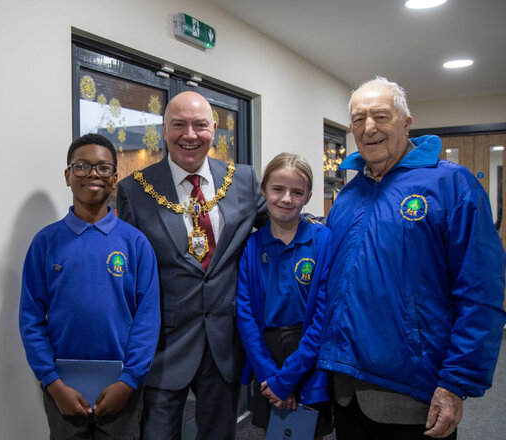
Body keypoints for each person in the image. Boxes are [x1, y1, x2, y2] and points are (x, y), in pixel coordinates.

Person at [317, 76, 506, 439]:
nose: (368, 127)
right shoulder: (348, 196)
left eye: (380, 116)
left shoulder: (452, 186)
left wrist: (457, 381)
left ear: (406, 123)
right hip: (344, 387)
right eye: (358, 119)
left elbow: (481, 291)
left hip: (411, 392)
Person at [117, 91, 266, 439]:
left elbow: (277, 221)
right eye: (179, 125)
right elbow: (127, 276)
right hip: (164, 346)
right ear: (164, 128)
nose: (190, 134)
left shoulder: (241, 180)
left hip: (223, 343)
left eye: (200, 125)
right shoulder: (135, 191)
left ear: (215, 129)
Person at [19, 133, 161, 439]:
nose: (92, 174)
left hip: (122, 387)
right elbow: (31, 319)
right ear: (68, 175)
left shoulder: (135, 243)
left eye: (103, 167)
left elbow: (147, 320)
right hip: (63, 388)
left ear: (114, 178)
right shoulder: (45, 243)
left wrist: (129, 381)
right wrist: (53, 383)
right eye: (82, 166)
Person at [236, 153, 333, 439]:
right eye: (278, 189)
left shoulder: (324, 241)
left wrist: (289, 380)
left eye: (297, 192)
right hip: (266, 357)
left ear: (308, 197)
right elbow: (245, 317)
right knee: (275, 432)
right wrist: (271, 378)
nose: (286, 198)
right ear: (263, 190)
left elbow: (324, 316)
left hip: (309, 359)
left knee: (310, 432)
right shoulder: (251, 246)